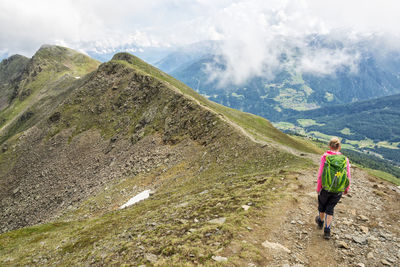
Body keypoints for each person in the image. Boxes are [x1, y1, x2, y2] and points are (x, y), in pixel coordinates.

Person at [315, 137, 351, 239]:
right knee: (330, 209)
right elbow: (348, 176)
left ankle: (320, 222)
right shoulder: (345, 159)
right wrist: (346, 188)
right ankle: (327, 231)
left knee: (322, 205)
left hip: (325, 188)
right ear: (339, 147)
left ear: (329, 146)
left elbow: (321, 174)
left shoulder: (325, 157)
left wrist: (319, 188)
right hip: (338, 190)